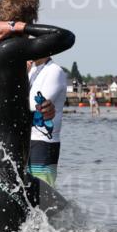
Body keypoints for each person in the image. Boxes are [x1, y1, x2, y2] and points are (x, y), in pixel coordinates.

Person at [0, 0, 75, 232]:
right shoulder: (11, 50)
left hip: (4, 170)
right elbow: (65, 37)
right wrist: (17, 27)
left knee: (66, 215)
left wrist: (37, 116)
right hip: (4, 173)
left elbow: (6, 116)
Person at [27, 56, 67, 187]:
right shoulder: (30, 70)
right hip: (26, 140)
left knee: (43, 194)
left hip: (43, 142)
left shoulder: (55, 71)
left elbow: (35, 106)